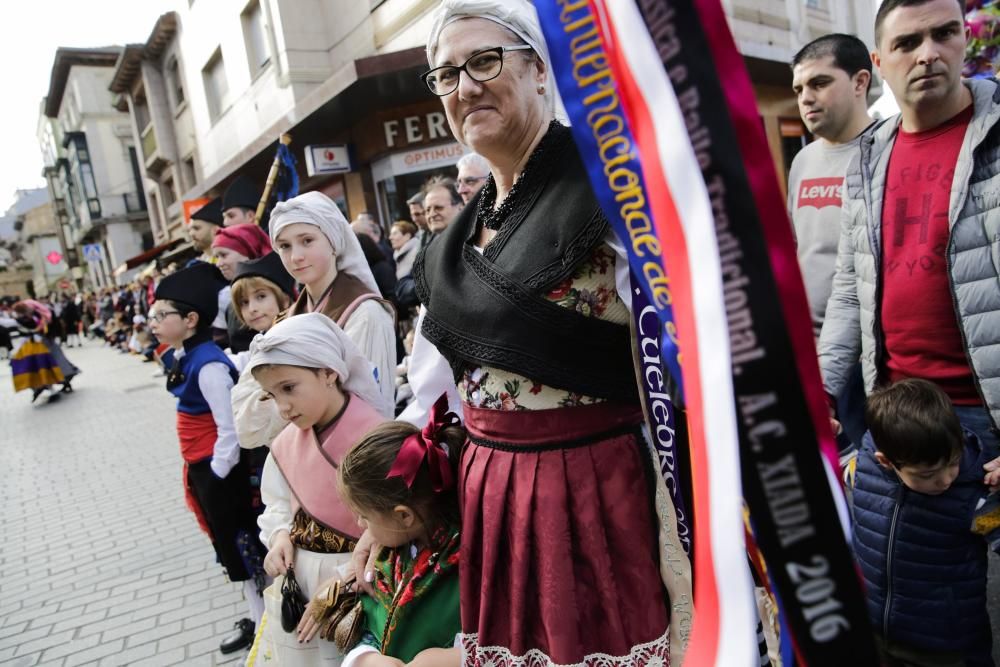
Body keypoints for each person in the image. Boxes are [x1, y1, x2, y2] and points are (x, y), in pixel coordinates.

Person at [353, 2, 693, 665]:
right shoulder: (448, 243)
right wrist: (382, 508)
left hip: (599, 485)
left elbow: (693, 351)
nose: (465, 87)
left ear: (540, 69)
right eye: (446, 74)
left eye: (484, 61)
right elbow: (431, 390)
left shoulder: (617, 189)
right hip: (494, 495)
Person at [819, 0, 1000, 472]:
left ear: (965, 38)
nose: (928, 54)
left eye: (944, 34)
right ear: (879, 63)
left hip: (990, 423)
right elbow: (848, 290)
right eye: (907, 43)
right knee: (888, 548)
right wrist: (822, 388)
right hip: (894, 419)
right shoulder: (867, 156)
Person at [244, 313, 388, 664]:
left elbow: (396, 527)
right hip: (301, 581)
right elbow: (277, 501)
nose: (282, 407)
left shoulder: (378, 437)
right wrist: (280, 536)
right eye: (272, 395)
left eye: (289, 388)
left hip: (359, 583)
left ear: (328, 372)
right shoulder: (285, 444)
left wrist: (345, 581)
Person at [151, 262, 267, 655]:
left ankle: (267, 622)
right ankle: (257, 617)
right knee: (231, 550)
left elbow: (228, 427)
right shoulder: (185, 356)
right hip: (202, 468)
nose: (153, 321)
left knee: (244, 546)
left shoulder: (210, 365)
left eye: (161, 314)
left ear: (190, 319)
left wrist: (217, 473)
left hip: (220, 473)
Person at [299, 398, 463, 666]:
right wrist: (364, 658)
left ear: (403, 516)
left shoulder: (470, 567)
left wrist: (455, 658)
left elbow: (505, 642)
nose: (361, 526)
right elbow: (371, 627)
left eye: (364, 516)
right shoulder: (389, 557)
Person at [850, 378, 1000, 666]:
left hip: (946, 645)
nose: (946, 479)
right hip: (874, 631)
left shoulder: (974, 495)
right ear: (886, 462)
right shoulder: (864, 469)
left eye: (953, 462)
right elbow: (842, 469)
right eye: (928, 474)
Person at [788, 33, 874, 454]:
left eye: (819, 83)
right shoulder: (803, 160)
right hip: (808, 350)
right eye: (799, 89)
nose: (806, 98)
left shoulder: (887, 148)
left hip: (869, 357)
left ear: (860, 82)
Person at [270, 191, 396, 417]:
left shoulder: (365, 313)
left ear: (333, 241)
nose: (295, 256)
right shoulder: (289, 317)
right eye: (284, 246)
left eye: (307, 241)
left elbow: (370, 407)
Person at [229, 251, 297, 450]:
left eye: (260, 297)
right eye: (244, 302)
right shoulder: (261, 342)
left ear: (284, 299)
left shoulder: (292, 339)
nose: (252, 308)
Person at [212, 223, 273, 354]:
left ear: (247, 252)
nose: (219, 264)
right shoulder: (230, 307)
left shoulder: (273, 292)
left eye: (223, 255)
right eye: (216, 257)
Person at [188, 197, 224, 263]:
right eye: (189, 230)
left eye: (196, 228)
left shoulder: (232, 260)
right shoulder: (194, 266)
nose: (191, 234)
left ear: (216, 230)